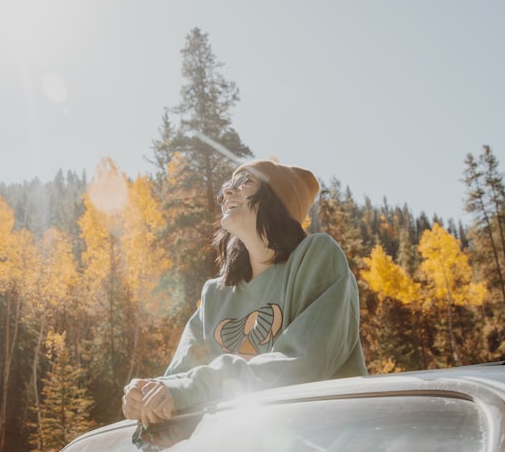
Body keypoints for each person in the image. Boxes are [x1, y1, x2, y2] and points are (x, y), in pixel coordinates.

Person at [122, 159, 367, 427]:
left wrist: (191, 388)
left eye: (244, 183)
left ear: (278, 201)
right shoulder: (215, 295)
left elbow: (302, 365)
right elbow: (180, 380)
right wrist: (146, 395)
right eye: (227, 186)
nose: (227, 192)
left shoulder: (316, 258)